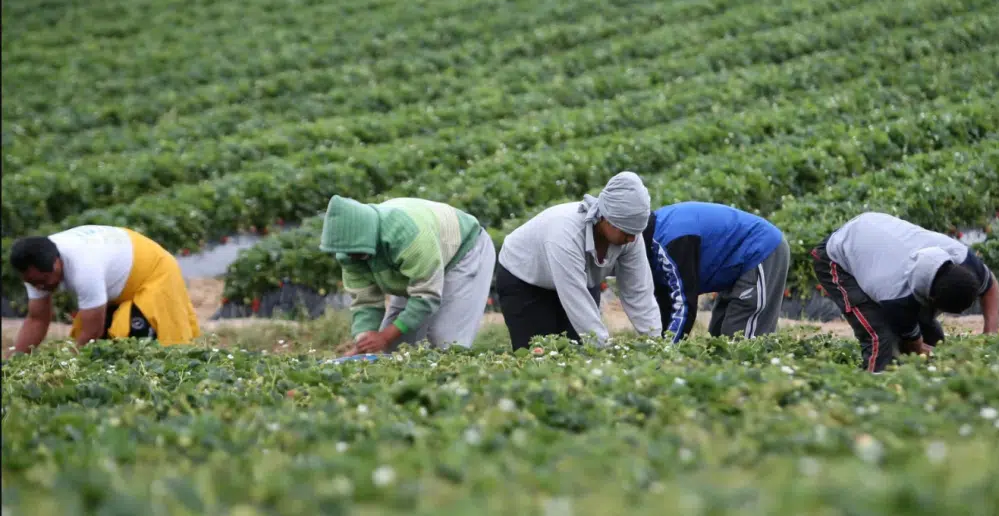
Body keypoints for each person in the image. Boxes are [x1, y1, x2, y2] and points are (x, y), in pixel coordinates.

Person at [811, 212, 999, 373]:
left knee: (927, 327)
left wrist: (990, 335)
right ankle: (875, 389)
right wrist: (936, 358)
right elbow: (913, 347)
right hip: (834, 256)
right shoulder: (894, 294)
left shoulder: (960, 258)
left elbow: (990, 287)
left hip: (874, 235)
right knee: (881, 336)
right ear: (930, 297)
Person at [495, 171, 662, 350]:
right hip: (525, 278)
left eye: (635, 233)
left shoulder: (631, 236)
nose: (631, 239)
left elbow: (638, 292)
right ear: (606, 218)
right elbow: (575, 299)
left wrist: (656, 343)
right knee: (540, 352)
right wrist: (604, 351)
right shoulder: (566, 235)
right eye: (626, 232)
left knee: (580, 349)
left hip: (579, 279)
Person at [319, 195, 496, 354]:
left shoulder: (409, 237)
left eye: (354, 252)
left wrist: (384, 336)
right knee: (396, 348)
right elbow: (366, 301)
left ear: (366, 237)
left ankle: (452, 386)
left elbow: (425, 296)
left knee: (446, 340)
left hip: (463, 253)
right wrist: (364, 340)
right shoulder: (350, 254)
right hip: (416, 269)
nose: (350, 257)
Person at [6, 225, 201, 357]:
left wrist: (66, 361)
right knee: (102, 347)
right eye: (33, 283)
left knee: (137, 342)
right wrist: (16, 361)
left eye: (44, 281)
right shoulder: (34, 269)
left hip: (153, 271)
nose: (41, 287)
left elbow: (92, 331)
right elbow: (37, 319)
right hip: (116, 274)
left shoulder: (84, 267)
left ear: (57, 263)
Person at [642, 201, 790, 341]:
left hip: (760, 250)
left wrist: (666, 352)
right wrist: (660, 340)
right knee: (719, 342)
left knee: (742, 345)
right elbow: (666, 302)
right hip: (732, 264)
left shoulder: (671, 241)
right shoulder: (650, 235)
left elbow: (683, 304)